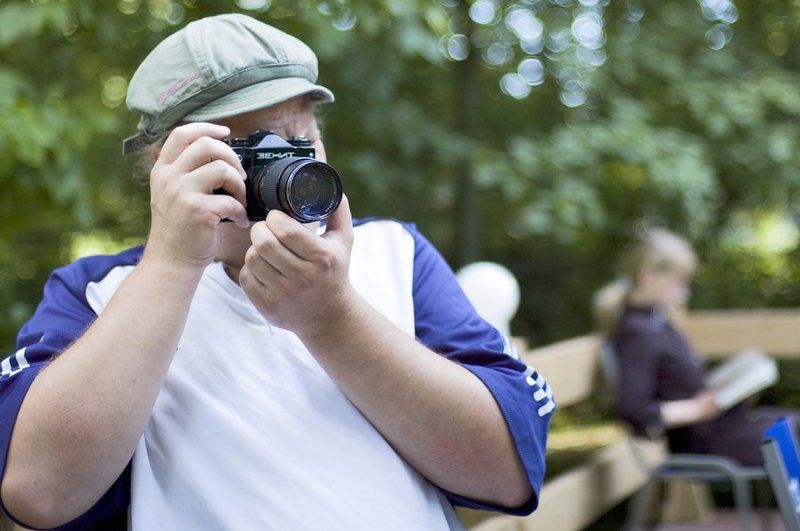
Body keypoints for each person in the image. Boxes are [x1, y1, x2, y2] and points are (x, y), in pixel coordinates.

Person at [0, 13, 554, 530]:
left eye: (299, 140)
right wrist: (172, 263)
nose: (286, 165)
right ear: (164, 165)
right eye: (249, 148)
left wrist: (332, 319)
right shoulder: (102, 293)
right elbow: (38, 494)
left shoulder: (393, 251)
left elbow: (509, 469)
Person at [594, 228, 792, 466]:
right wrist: (698, 409)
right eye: (679, 283)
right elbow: (633, 410)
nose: (684, 294)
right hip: (705, 441)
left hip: (722, 427)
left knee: (792, 425)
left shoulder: (659, 323)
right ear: (649, 276)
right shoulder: (637, 333)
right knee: (793, 435)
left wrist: (730, 390)